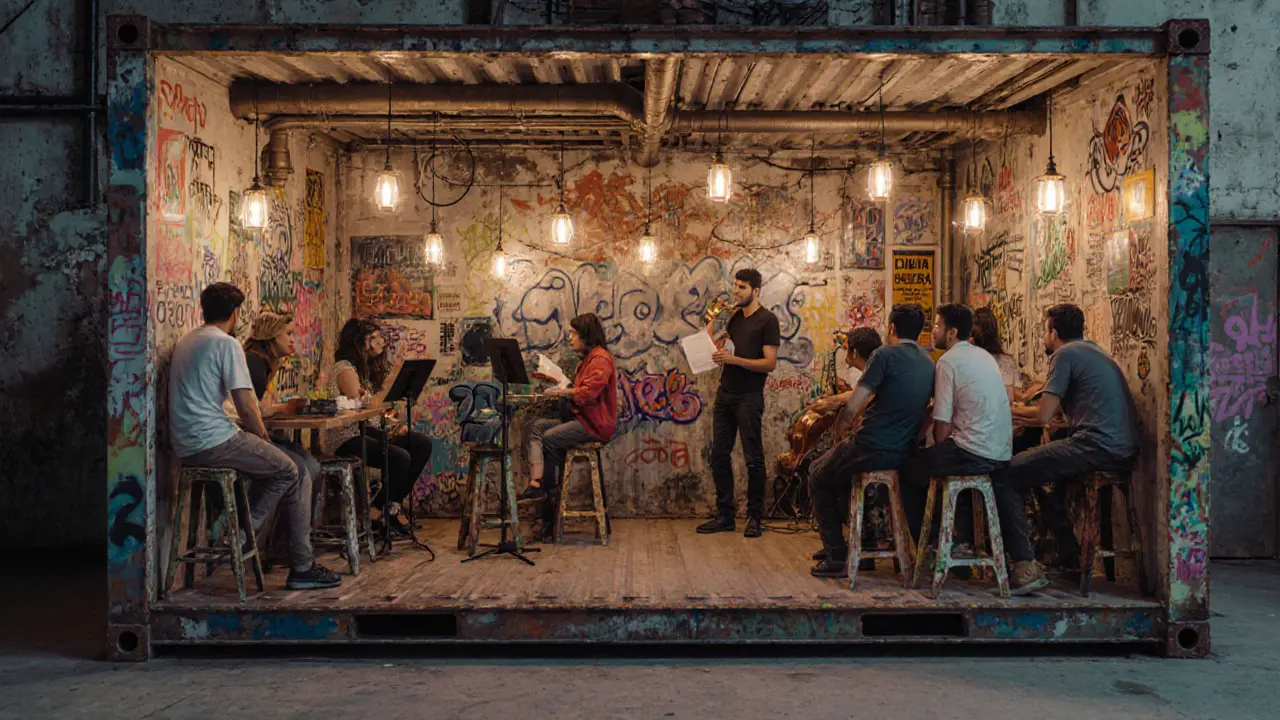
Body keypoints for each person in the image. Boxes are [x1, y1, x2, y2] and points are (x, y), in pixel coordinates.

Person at [168, 283, 340, 590]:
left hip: (186, 444)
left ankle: (285, 555)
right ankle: (247, 540)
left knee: (289, 468)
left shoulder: (188, 340)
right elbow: (247, 407)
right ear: (235, 314)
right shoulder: (227, 344)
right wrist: (263, 438)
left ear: (204, 310)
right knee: (289, 469)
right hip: (214, 440)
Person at [994, 303, 1141, 595]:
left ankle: (1025, 567)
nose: (1043, 338)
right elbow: (1060, 414)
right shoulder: (1094, 351)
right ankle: (1070, 557)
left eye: (1044, 331)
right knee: (1044, 480)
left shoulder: (1064, 355)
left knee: (1007, 474)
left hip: (1096, 446)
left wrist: (1006, 411)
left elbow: (1043, 416)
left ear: (1054, 332)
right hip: (1121, 447)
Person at [805, 304, 935, 577]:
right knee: (841, 476)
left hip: (871, 445)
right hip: (901, 452)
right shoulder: (928, 363)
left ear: (892, 328)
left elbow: (854, 405)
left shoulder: (883, 355)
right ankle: (859, 548)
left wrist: (840, 432)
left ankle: (837, 557)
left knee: (816, 473)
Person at [898, 304, 1012, 553]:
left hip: (973, 452)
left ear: (952, 333)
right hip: (1001, 452)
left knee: (908, 471)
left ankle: (931, 547)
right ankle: (959, 544)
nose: (933, 331)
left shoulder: (947, 362)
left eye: (937, 326)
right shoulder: (984, 356)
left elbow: (941, 431)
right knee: (939, 465)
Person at [517, 313, 619, 539]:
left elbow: (588, 394)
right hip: (581, 419)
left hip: (594, 424)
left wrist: (564, 391)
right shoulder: (587, 359)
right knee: (534, 427)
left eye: (573, 333)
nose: (570, 337)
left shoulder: (600, 359)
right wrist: (559, 382)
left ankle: (548, 497)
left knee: (549, 439)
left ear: (586, 335)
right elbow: (580, 389)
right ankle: (536, 482)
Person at [697, 268, 782, 538]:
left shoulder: (768, 321)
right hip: (726, 394)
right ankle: (726, 516)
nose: (736, 291)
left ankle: (755, 517)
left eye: (742, 287)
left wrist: (735, 360)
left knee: (753, 458)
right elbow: (714, 344)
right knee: (718, 455)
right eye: (735, 285)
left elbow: (769, 363)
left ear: (756, 291)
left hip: (749, 396)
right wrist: (712, 324)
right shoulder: (733, 317)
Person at [331, 318, 434, 537]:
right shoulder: (344, 368)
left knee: (421, 444)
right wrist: (388, 390)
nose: (380, 342)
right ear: (359, 341)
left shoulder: (365, 370)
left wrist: (389, 423)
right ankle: (377, 512)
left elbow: (374, 414)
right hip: (347, 436)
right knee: (399, 458)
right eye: (374, 337)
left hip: (368, 431)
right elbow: (361, 407)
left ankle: (390, 506)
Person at [241, 312, 323, 510]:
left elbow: (257, 407)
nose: (292, 340)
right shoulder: (256, 364)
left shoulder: (260, 362)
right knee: (304, 468)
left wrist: (283, 408)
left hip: (247, 433)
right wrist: (284, 408)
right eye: (288, 334)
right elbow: (251, 412)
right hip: (243, 434)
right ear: (272, 337)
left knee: (310, 463)